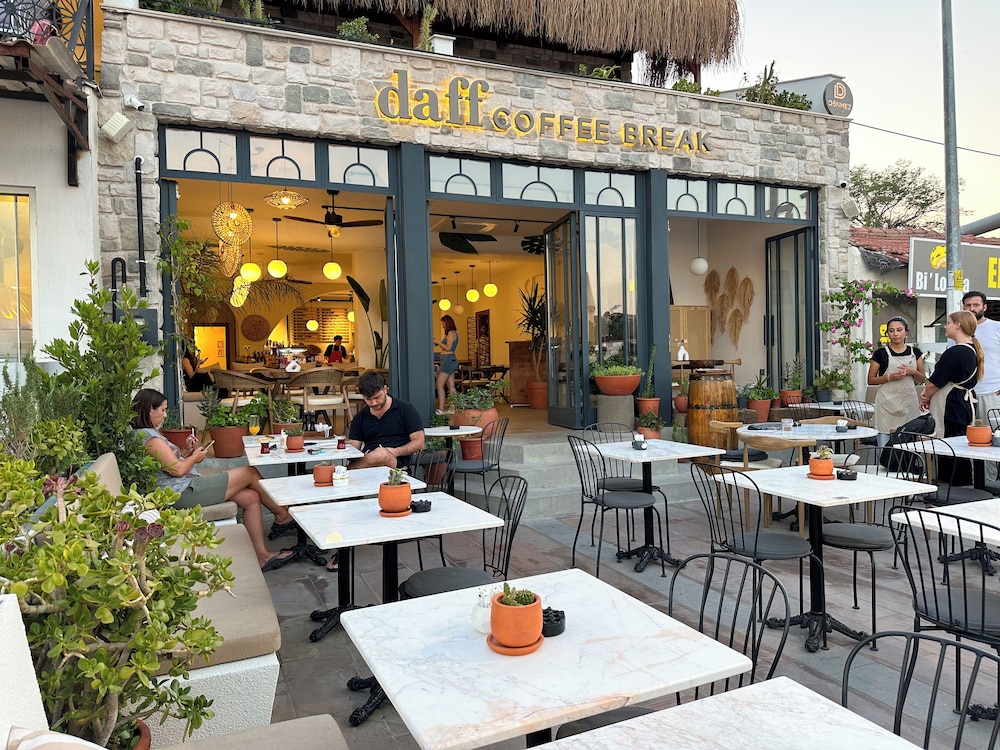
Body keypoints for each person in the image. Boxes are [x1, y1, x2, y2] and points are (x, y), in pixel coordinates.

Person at [131, 388, 295, 571]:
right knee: (249, 472)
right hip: (182, 493)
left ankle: (261, 556)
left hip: (182, 488)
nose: (165, 415)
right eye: (162, 410)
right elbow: (177, 470)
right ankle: (283, 515)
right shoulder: (150, 439)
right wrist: (195, 458)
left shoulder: (146, 435)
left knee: (250, 497)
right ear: (149, 410)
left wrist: (186, 452)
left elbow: (169, 465)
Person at [919, 311, 983, 486]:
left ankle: (952, 486)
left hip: (951, 404)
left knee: (949, 445)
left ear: (957, 325)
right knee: (960, 444)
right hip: (962, 402)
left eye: (948, 322)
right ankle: (961, 486)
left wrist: (925, 397)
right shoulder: (971, 349)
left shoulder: (955, 352)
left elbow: (935, 383)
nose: (945, 326)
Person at [347, 371, 424, 470]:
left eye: (377, 397)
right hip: (367, 466)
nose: (373, 403)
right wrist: (362, 456)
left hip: (397, 465)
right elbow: (353, 448)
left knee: (381, 453)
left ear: (385, 389)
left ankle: (346, 471)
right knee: (378, 454)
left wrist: (396, 451)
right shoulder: (360, 417)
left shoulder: (405, 409)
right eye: (368, 399)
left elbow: (419, 442)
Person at [867, 316, 925, 445]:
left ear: (906, 332)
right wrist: (889, 377)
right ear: (887, 334)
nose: (895, 334)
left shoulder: (915, 352)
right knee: (885, 438)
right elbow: (871, 379)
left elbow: (922, 378)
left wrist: (912, 372)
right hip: (886, 401)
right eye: (891, 331)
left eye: (899, 330)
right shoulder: (880, 353)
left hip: (908, 401)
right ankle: (884, 458)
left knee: (910, 439)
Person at [961, 291, 1000, 422]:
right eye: (968, 305)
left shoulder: (997, 327)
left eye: (976, 305)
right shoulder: (957, 329)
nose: (972, 308)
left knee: (993, 432)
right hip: (963, 393)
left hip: (992, 393)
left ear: (984, 307)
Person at [436, 314, 459, 413]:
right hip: (450, 360)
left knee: (439, 384)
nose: (442, 326)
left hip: (448, 360)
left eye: (443, 324)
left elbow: (448, 348)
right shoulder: (453, 333)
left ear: (447, 323)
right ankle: (452, 408)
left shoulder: (450, 333)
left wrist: (438, 342)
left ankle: (441, 408)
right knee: (450, 385)